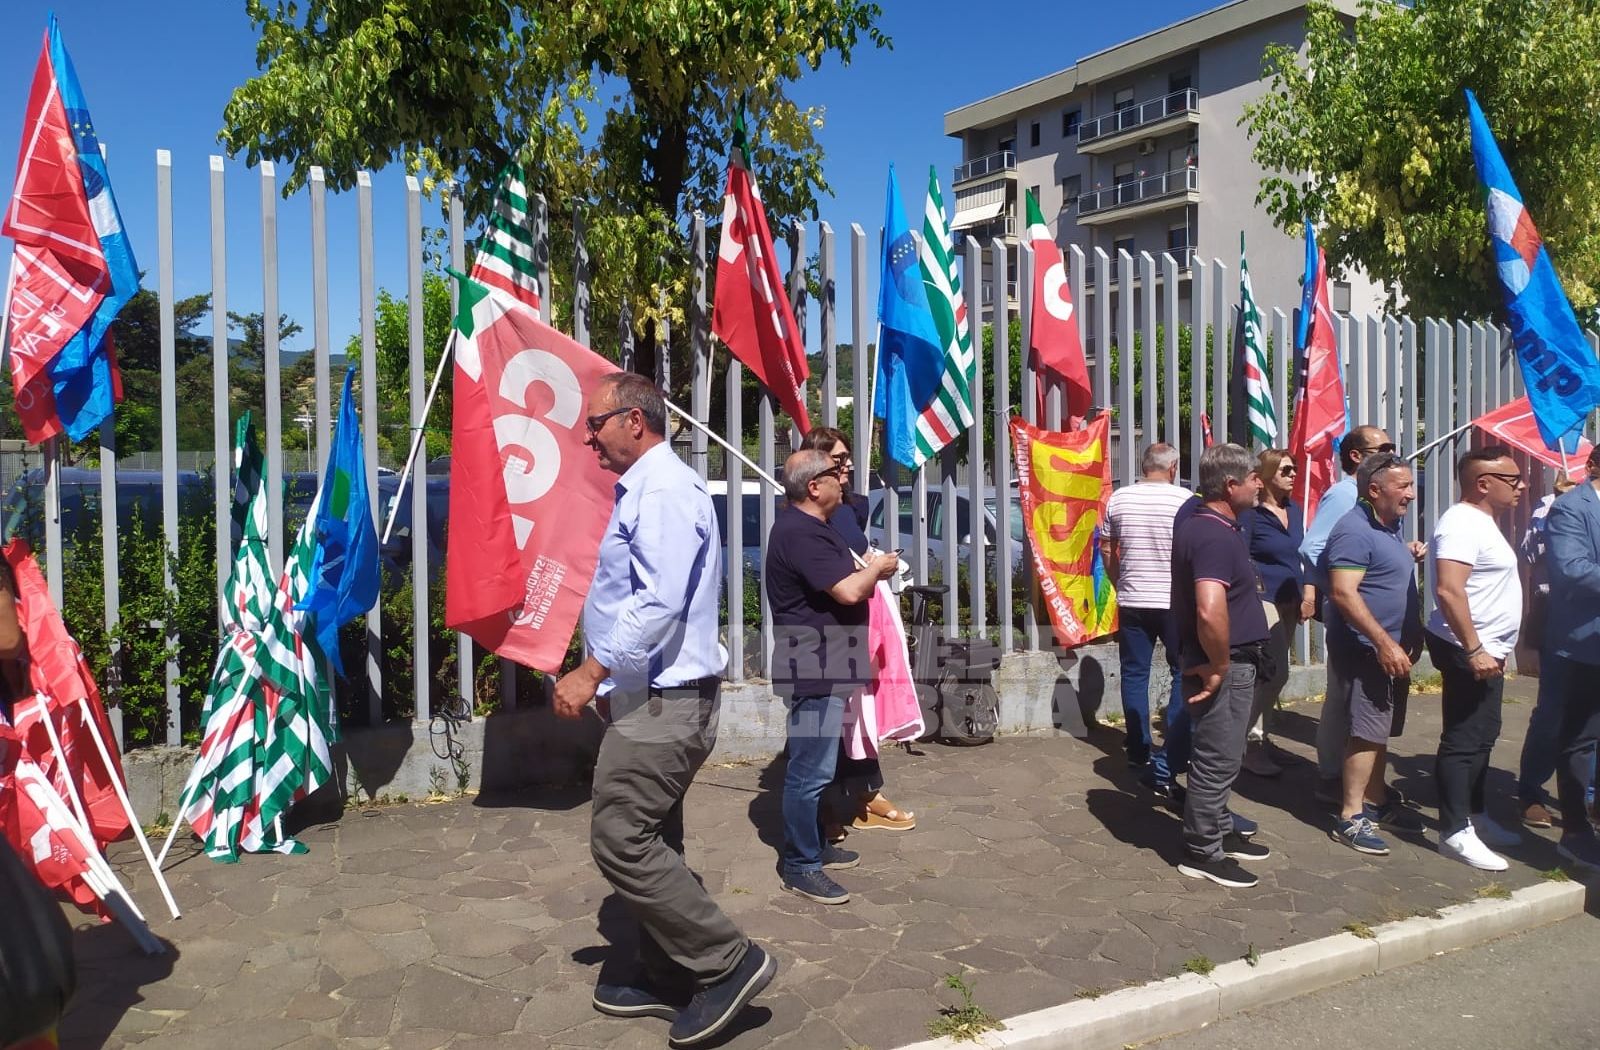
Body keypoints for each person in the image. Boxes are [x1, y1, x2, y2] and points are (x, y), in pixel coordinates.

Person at [553, 373, 775, 1045]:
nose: (587, 437)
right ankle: (664, 970)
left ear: (634, 421)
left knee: (621, 837)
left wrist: (592, 670)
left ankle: (728, 962)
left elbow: (658, 601)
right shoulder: (650, 489)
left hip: (665, 704)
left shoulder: (666, 491)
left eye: (595, 424)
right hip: (649, 697)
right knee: (657, 836)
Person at [765, 448, 899, 905]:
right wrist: (878, 570)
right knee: (810, 771)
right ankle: (800, 864)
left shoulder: (814, 528)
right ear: (813, 486)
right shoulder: (801, 533)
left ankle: (814, 848)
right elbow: (846, 591)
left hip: (830, 662)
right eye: (834, 473)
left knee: (817, 767)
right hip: (815, 667)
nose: (843, 478)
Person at [798, 427, 916, 835]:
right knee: (829, 723)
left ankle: (863, 794)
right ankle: (827, 812)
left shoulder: (843, 511)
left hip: (852, 629)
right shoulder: (807, 525)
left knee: (857, 714)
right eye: (838, 460)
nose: (846, 466)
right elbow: (845, 584)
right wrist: (875, 568)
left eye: (848, 458)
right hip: (826, 638)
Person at [1299, 426, 1423, 805]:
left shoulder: (1378, 511)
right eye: (1383, 448)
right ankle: (1339, 788)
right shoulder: (1345, 496)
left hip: (1378, 632)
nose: (1391, 452)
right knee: (1348, 710)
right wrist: (1341, 591)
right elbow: (1314, 548)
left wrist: (1398, 554)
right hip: (1359, 629)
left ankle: (1369, 792)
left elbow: (1372, 547)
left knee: (1370, 718)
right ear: (1357, 456)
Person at [1172, 444, 1273, 888]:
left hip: (1233, 662)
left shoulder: (1217, 525)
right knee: (1217, 758)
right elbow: (1210, 610)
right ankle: (1203, 850)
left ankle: (1220, 830)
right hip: (1225, 664)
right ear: (1231, 485)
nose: (1260, 483)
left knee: (1226, 755)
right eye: (1254, 477)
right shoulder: (1211, 533)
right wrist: (1217, 665)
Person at [1318, 452, 1426, 855]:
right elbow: (1344, 593)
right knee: (1365, 733)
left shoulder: (1387, 526)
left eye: (1411, 485)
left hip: (1392, 653)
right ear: (1374, 489)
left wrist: (1407, 553)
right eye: (1404, 486)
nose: (1412, 494)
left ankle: (1377, 799)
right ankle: (1351, 816)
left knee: (1379, 731)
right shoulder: (1353, 530)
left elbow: (1377, 572)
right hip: (1369, 653)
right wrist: (1384, 643)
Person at [1424, 445, 1526, 871]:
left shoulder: (1484, 522)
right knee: (1464, 738)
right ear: (1484, 484)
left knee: (1485, 734)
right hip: (1469, 648)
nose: (1521, 486)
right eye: (1512, 479)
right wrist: (1474, 649)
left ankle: (1476, 815)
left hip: (1489, 649)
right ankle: (1454, 831)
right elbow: (1449, 589)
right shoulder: (1462, 523)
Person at [1103, 443, 1194, 800]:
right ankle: (1172, 749)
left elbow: (1108, 549)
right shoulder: (1186, 501)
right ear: (1173, 467)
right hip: (1174, 602)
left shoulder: (1119, 499)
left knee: (1135, 673)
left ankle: (1138, 746)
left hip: (1133, 599)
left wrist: (1118, 581)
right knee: (1181, 672)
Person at [1542, 446, 1600, 868]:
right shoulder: (1571, 508)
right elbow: (1573, 570)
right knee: (1580, 739)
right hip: (1583, 646)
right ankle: (1575, 831)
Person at [1241, 448, 1315, 777]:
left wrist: (1308, 593)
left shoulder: (1294, 511)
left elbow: (1306, 555)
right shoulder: (1252, 515)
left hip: (1290, 599)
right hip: (1263, 601)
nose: (1293, 474)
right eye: (1285, 470)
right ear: (1267, 475)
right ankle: (1247, 743)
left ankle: (1260, 737)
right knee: (1274, 673)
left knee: (1272, 674)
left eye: (1294, 469)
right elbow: (1242, 557)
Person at [1514, 472, 1580, 828]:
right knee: (1553, 712)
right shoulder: (1554, 507)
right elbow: (1532, 556)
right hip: (1558, 617)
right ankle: (1531, 792)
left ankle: (1588, 798)